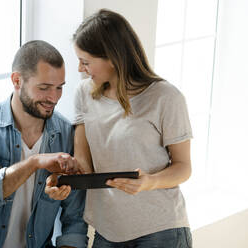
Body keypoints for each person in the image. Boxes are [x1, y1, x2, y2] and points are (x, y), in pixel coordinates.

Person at [46, 9, 193, 248]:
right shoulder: (84, 94)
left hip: (161, 229)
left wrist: (149, 182)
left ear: (112, 58)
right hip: (108, 230)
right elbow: (85, 166)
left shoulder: (166, 97)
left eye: (86, 62)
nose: (81, 69)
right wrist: (63, 181)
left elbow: (183, 168)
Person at [0, 40, 88, 248]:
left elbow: (75, 220)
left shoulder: (66, 135)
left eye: (59, 88)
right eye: (44, 88)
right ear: (17, 81)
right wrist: (34, 163)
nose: (54, 97)